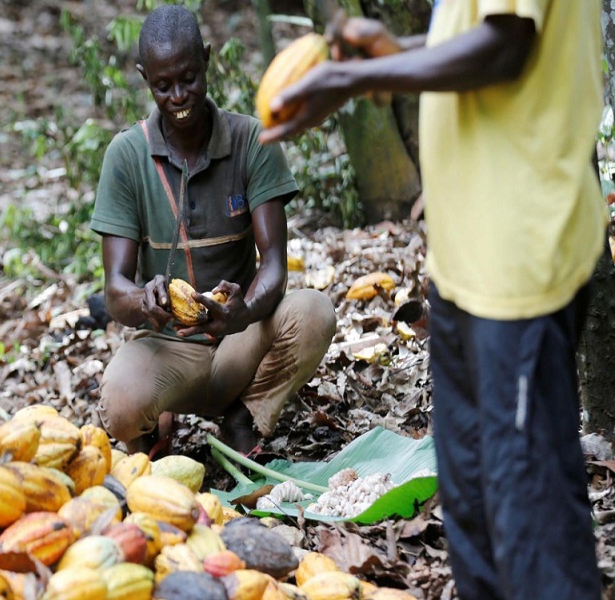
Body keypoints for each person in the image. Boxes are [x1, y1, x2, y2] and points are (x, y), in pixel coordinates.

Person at [259, 3, 606, 599]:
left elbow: (505, 48)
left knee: (530, 519)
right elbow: (479, 41)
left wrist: (353, 78)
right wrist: (395, 49)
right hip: (465, 265)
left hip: (518, 268)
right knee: (472, 513)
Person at [90, 5, 336, 457]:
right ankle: (151, 435)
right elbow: (114, 289)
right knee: (121, 406)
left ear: (207, 59)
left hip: (240, 337)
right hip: (168, 349)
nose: (179, 96)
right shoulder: (126, 156)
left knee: (314, 311)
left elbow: (275, 267)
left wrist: (245, 311)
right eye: (163, 86)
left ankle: (244, 417)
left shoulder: (251, 141)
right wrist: (144, 301)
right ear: (145, 78)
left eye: (189, 78)